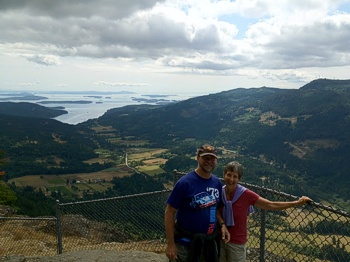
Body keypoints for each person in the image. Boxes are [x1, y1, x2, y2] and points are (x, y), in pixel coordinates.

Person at [219, 161, 312, 262]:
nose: (231, 179)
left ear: (239, 179)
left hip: (236, 243)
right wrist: (222, 224)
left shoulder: (245, 194)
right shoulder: (220, 192)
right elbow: (215, 210)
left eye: (235, 176)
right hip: (220, 239)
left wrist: (297, 203)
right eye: (229, 175)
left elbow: (271, 205)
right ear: (224, 175)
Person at [165, 144, 230, 262]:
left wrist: (222, 225)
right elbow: (169, 211)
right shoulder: (185, 183)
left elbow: (215, 208)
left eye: (212, 158)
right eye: (205, 158)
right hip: (185, 244)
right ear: (198, 158)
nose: (209, 161)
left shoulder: (217, 183)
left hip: (208, 243)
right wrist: (170, 244)